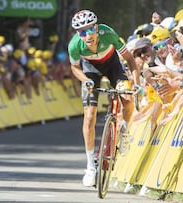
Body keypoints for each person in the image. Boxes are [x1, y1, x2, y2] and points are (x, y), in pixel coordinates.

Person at [67, 10, 140, 187]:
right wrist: (85, 81)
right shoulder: (75, 45)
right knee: (90, 116)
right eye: (82, 32)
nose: (87, 35)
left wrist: (136, 83)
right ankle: (90, 166)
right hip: (90, 70)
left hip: (113, 65)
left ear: (96, 27)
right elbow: (75, 68)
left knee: (127, 99)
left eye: (90, 30)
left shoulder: (108, 34)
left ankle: (125, 130)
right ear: (78, 34)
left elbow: (130, 59)